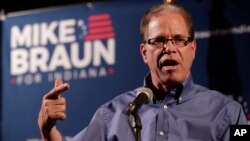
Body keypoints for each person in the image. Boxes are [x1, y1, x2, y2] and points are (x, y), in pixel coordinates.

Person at [38, 3, 248, 141]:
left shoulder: (229, 112)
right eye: (158, 41)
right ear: (144, 53)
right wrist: (47, 130)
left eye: (179, 39)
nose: (169, 48)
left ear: (192, 49)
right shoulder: (113, 114)